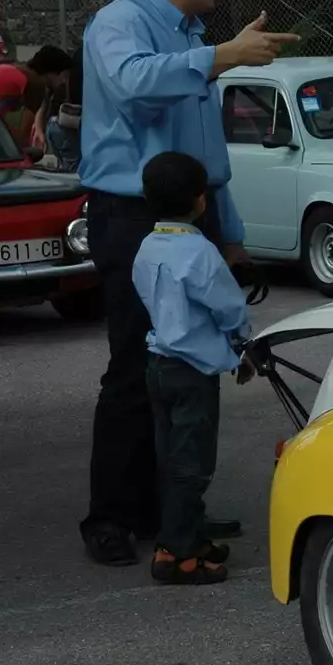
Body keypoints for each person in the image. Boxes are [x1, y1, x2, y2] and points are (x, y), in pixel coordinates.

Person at [76, 0, 297, 567]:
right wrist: (222, 55)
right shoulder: (119, 23)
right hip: (131, 217)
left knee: (187, 370)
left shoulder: (193, 37)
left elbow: (205, 151)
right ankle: (110, 515)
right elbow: (132, 83)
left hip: (188, 213)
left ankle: (172, 511)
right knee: (134, 368)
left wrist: (230, 236)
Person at [132, 151, 253, 585]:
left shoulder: (147, 247)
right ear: (201, 200)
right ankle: (176, 553)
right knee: (194, 464)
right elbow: (229, 308)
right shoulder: (201, 253)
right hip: (193, 372)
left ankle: (190, 536)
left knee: (171, 459)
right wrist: (244, 347)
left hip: (158, 363)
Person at [0, 44, 73, 150]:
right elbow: (26, 133)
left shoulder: (15, 70)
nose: (64, 82)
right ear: (52, 73)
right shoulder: (33, 83)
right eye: (64, 76)